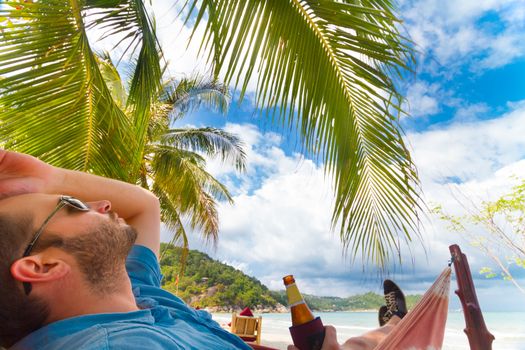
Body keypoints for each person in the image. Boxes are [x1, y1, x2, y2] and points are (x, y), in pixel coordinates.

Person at [0, 149, 407, 350]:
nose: (103, 203)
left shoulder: (131, 292)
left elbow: (145, 205)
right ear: (44, 266)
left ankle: (394, 322)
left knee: (375, 338)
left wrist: (48, 181)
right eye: (72, 205)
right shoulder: (120, 345)